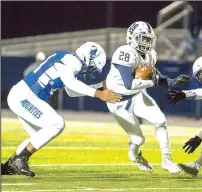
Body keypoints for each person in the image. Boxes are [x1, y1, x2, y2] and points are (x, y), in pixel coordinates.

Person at [2, 42, 120, 177]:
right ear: (88, 57)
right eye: (92, 66)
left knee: (38, 137)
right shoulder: (73, 62)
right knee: (56, 124)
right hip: (25, 96)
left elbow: (71, 92)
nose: (90, 70)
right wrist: (99, 94)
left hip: (23, 95)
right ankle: (19, 159)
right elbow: (72, 84)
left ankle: (7, 167)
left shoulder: (69, 59)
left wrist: (100, 86)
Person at [106, 21, 191, 173]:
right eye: (142, 38)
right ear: (131, 38)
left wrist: (174, 82)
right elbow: (128, 84)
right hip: (118, 99)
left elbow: (160, 79)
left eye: (148, 39)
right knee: (139, 140)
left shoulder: (151, 55)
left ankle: (167, 160)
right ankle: (135, 155)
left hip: (137, 95)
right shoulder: (124, 52)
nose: (146, 43)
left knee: (160, 120)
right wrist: (152, 81)